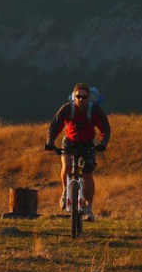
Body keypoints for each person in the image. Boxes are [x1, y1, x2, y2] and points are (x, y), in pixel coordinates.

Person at [44, 83, 111, 221]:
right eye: (78, 96)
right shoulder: (67, 109)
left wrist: (102, 143)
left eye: (84, 97)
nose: (81, 99)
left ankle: (88, 208)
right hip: (70, 142)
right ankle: (64, 192)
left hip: (87, 144)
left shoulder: (95, 111)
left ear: (89, 98)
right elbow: (54, 126)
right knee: (67, 166)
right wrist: (50, 142)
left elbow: (105, 128)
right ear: (74, 97)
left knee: (87, 173)